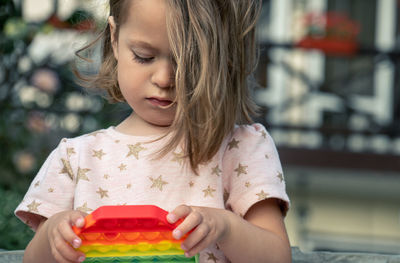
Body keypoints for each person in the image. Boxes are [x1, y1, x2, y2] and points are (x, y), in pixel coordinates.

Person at [15, 0, 291, 262]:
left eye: (188, 63)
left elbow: (277, 257)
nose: (164, 79)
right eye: (144, 57)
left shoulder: (241, 148)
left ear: (223, 57)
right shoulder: (76, 157)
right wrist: (53, 235)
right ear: (114, 37)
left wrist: (227, 228)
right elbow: (33, 259)